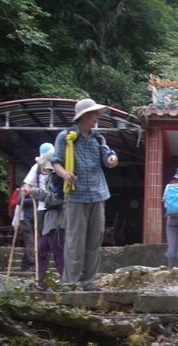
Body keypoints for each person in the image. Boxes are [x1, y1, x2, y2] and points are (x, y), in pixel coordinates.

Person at [51, 98, 118, 292]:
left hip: (98, 193)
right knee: (74, 239)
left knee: (94, 239)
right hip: (76, 194)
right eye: (93, 114)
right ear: (84, 116)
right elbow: (56, 162)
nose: (96, 117)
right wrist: (64, 174)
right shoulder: (66, 137)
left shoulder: (98, 138)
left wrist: (112, 158)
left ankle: (89, 281)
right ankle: (69, 282)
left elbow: (107, 156)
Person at [27, 144, 65, 290]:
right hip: (50, 221)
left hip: (58, 220)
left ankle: (66, 282)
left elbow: (59, 199)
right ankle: (40, 281)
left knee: (58, 252)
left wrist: (38, 192)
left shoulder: (58, 178)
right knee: (41, 250)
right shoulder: (51, 177)